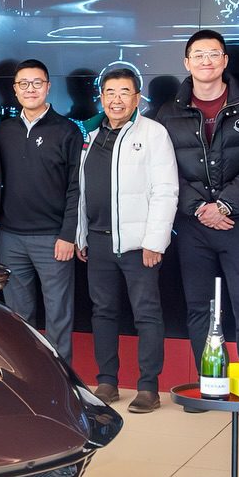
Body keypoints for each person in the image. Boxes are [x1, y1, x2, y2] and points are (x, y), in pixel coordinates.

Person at [154, 29, 239, 419]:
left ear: (225, 61)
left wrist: (223, 205)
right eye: (198, 55)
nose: (206, 61)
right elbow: (164, 169)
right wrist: (200, 208)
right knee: (199, 308)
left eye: (214, 54)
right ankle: (210, 387)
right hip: (192, 224)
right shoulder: (167, 113)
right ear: (187, 63)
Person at [76, 67, 178, 414]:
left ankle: (148, 386)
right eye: (109, 92)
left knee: (146, 314)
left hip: (138, 244)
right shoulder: (90, 134)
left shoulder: (153, 133)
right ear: (101, 97)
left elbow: (166, 191)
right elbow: (81, 191)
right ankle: (107, 381)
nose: (116, 99)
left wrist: (155, 241)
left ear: (137, 98)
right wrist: (80, 235)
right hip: (99, 240)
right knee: (103, 312)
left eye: (124, 92)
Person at [0, 59, 82, 363]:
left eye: (37, 83)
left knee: (58, 316)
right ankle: (29, 381)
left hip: (53, 239)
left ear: (48, 87)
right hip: (11, 238)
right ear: (15, 90)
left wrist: (68, 235)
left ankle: (63, 381)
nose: (30, 89)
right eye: (24, 84)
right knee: (18, 318)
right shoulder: (3, 130)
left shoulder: (67, 130)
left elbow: (76, 188)